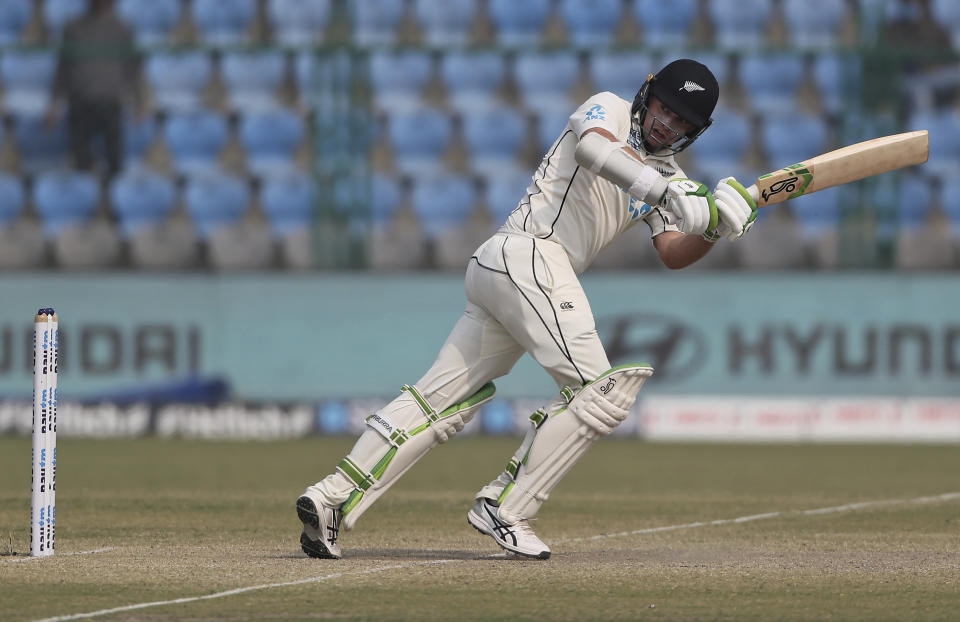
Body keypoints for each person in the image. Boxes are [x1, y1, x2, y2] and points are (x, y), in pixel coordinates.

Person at [296, 59, 758, 559]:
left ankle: (331, 498)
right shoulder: (609, 108)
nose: (667, 123)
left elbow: (672, 254)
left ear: (696, 130)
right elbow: (593, 149)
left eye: (682, 120)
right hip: (529, 252)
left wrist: (713, 230)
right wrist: (665, 189)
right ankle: (506, 508)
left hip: (515, 274)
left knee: (440, 401)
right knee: (600, 392)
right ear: (648, 94)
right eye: (665, 107)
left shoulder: (671, 175)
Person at [45, 0, 141, 178]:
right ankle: (87, 202)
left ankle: (112, 202)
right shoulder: (73, 27)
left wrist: (139, 102)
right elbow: (63, 67)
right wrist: (54, 103)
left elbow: (132, 68)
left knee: (115, 163)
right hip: (80, 101)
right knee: (81, 164)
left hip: (110, 102)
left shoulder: (123, 28)